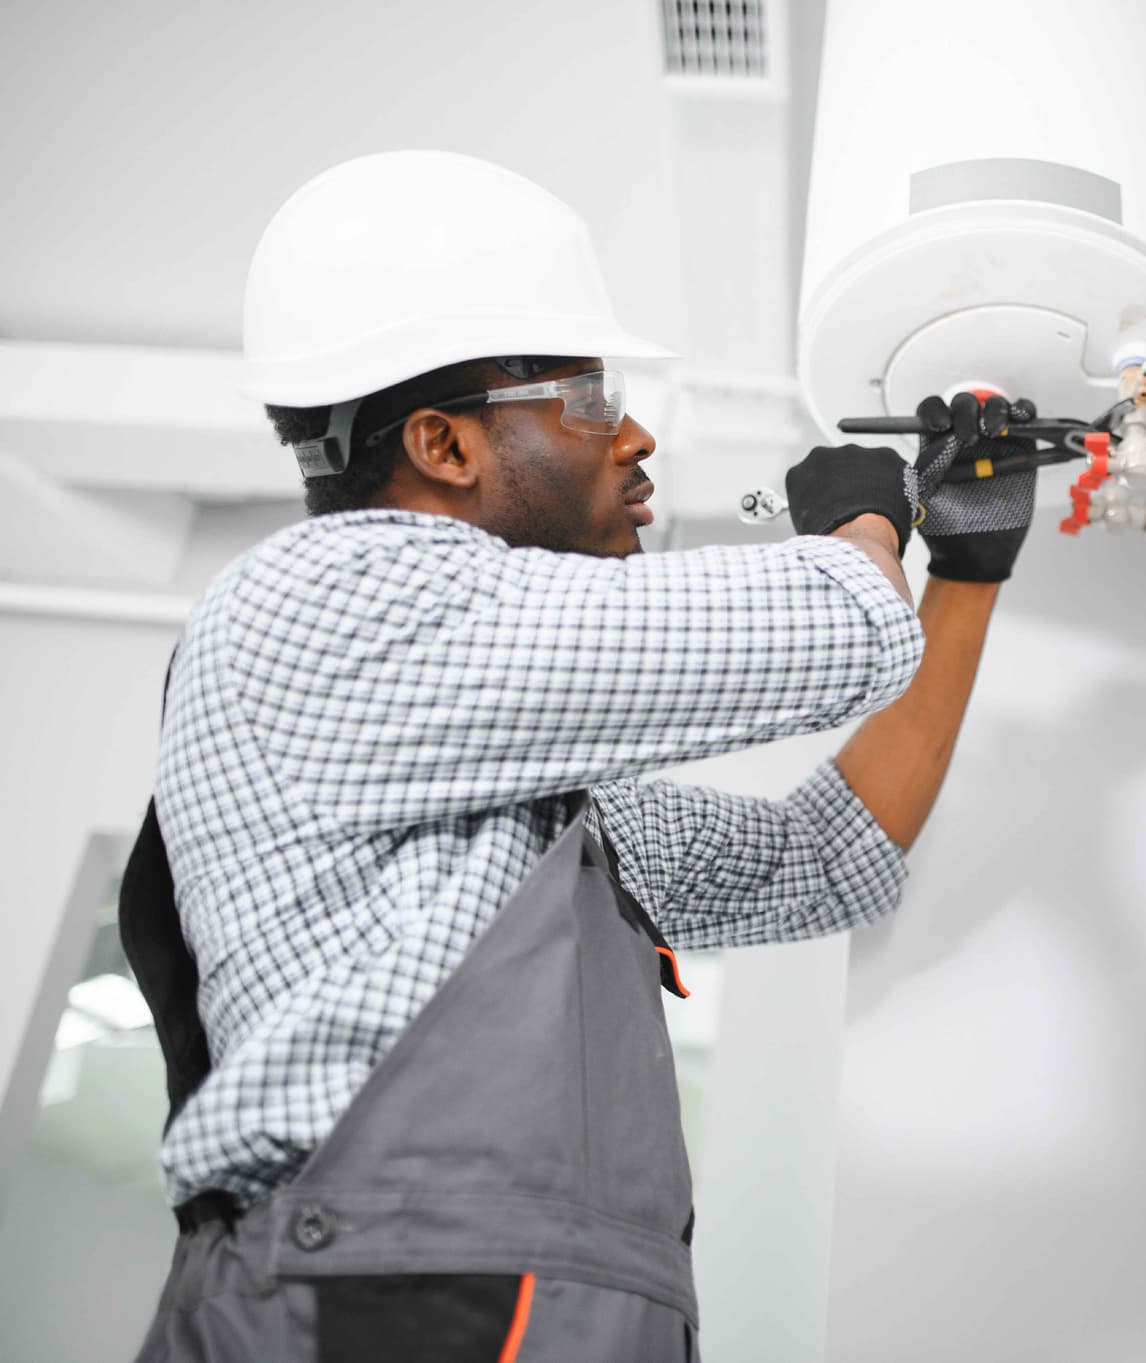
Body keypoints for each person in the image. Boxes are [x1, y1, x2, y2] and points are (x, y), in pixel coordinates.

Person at [119, 150, 1038, 1361]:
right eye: (592, 397)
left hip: (519, 1291)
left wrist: (962, 575)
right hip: (397, 1293)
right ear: (445, 446)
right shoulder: (322, 595)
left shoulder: (514, 805)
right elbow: (835, 624)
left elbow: (828, 855)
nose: (636, 433)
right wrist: (863, 520)